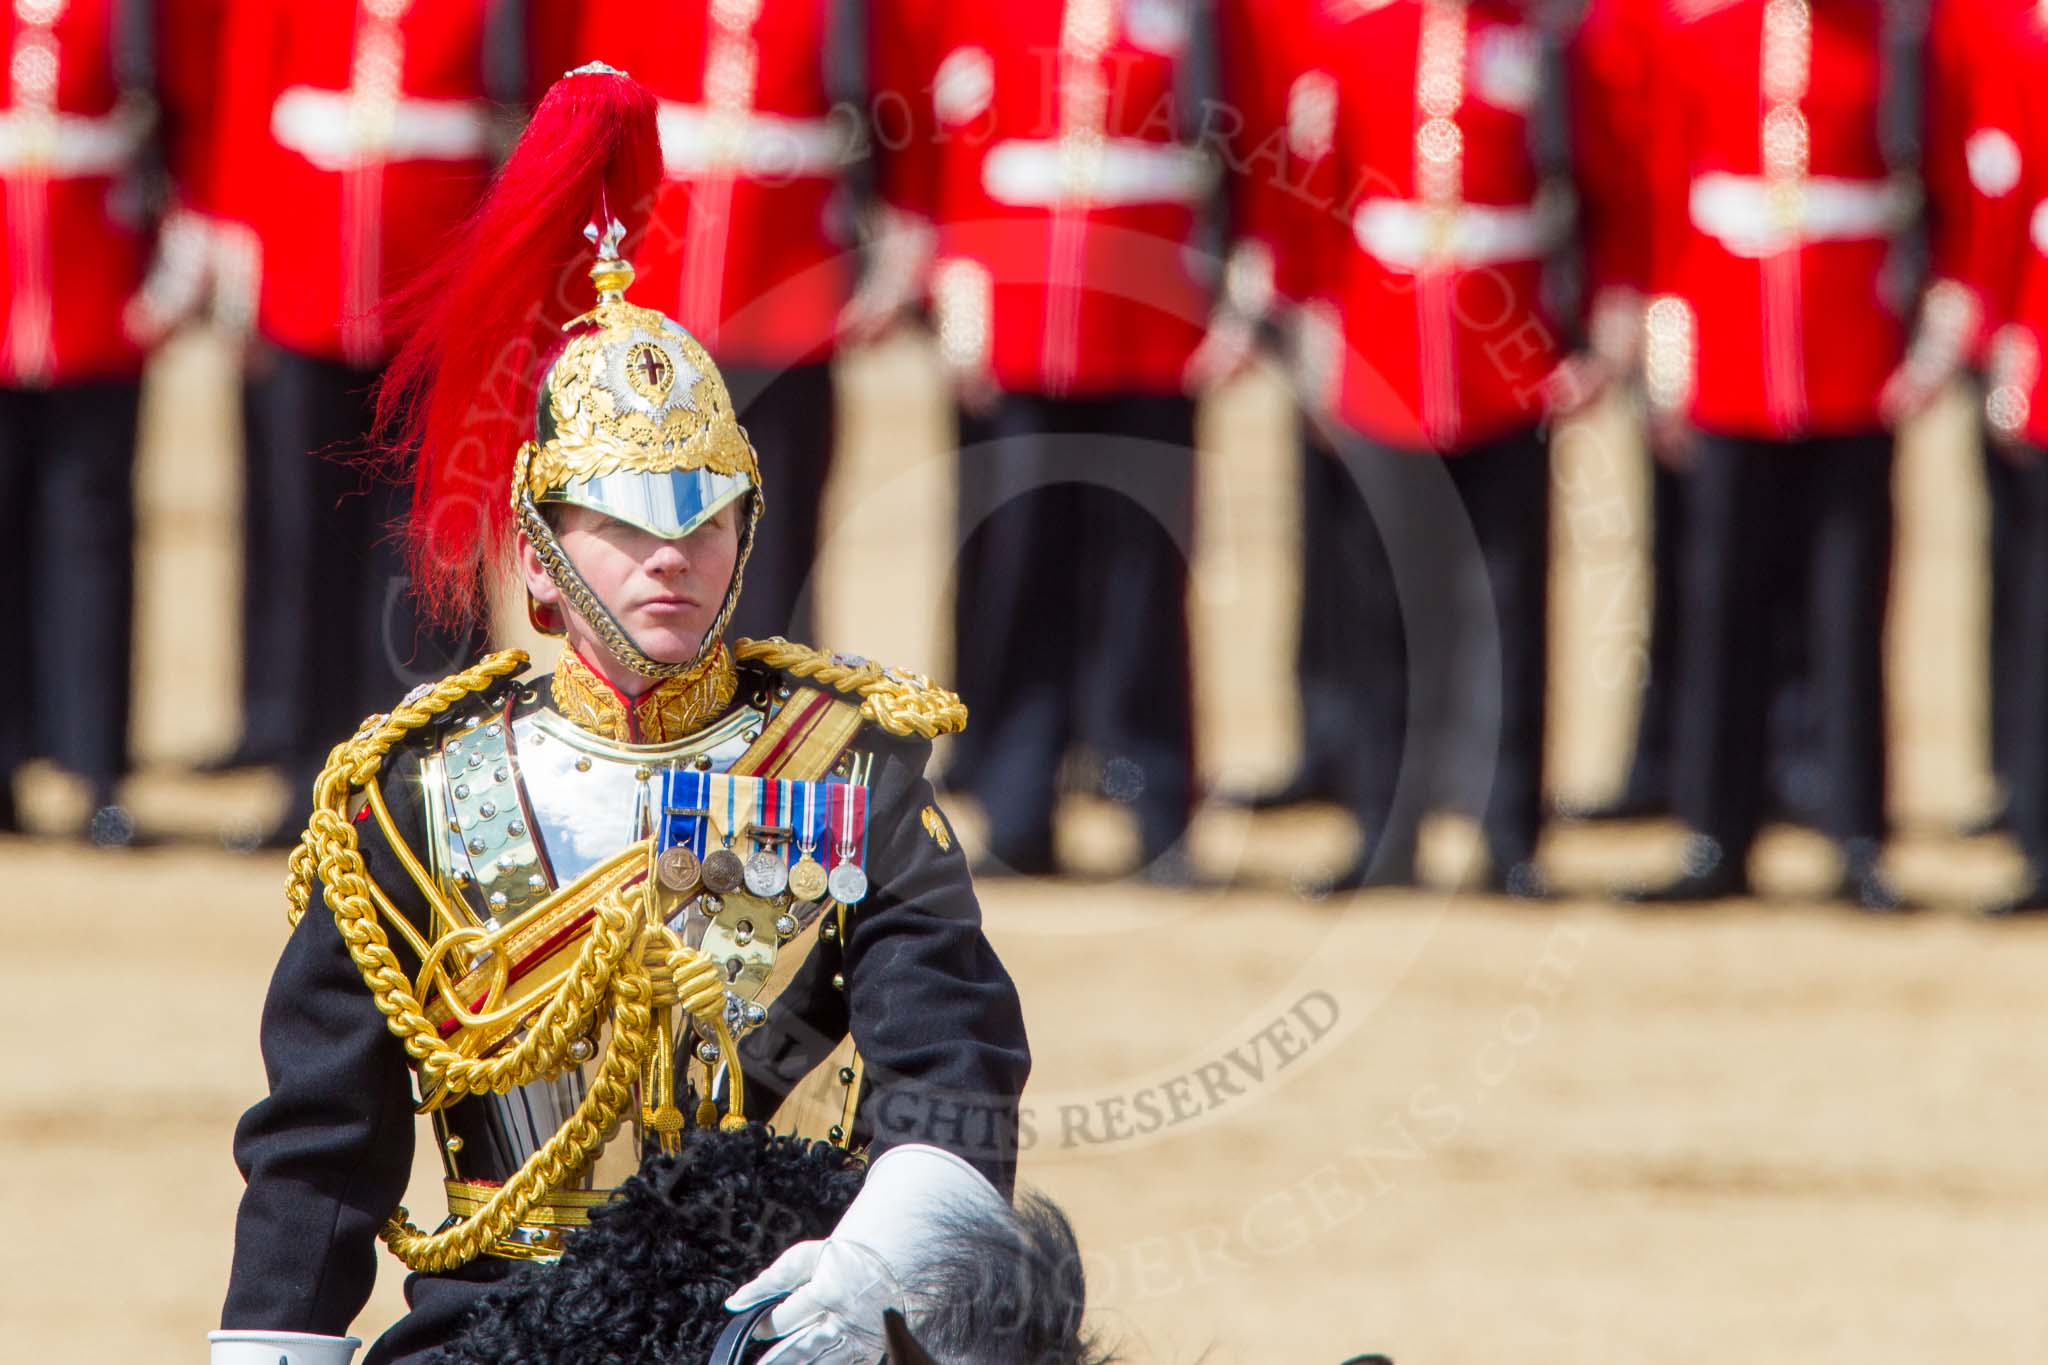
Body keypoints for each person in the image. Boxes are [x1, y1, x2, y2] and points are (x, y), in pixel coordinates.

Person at [215, 67, 1034, 1365]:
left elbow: (954, 1070)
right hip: (498, 1332)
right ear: (536, 556)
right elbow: (320, 1157)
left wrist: (870, 1269)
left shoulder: (843, 768)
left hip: (786, 1317)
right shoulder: (414, 795)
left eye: (703, 515)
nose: (672, 555)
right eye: (622, 522)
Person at [875, 0, 1221, 881]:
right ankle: (1018, 805)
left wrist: (1241, 300)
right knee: (1016, 574)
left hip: (1151, 327)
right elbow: (927, 164)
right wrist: (955, 325)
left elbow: (1242, 138)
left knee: (1145, 578)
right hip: (1011, 329)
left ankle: (1157, 811)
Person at [1626, 0, 1946, 908]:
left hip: (1854, 359)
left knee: (1849, 609)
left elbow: (1936, 190)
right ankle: (1716, 833)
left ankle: (1854, 833)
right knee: (1723, 606)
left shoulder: (1888, 37)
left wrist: (1927, 341)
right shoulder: (1706, 36)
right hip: (1730, 359)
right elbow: (1665, 192)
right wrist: (1667, 350)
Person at [200, 0, 534, 827]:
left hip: (442, 283)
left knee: (439, 539)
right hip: (309, 274)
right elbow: (247, 96)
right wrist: (238, 251)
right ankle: (310, 766)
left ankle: (446, 768)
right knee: (310, 539)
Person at [1294, 0, 1588, 896]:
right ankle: (1385, 824)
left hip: (1509, 355)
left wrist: (1582, 337)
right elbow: (1313, 198)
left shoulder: (1537, 42)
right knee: (1381, 608)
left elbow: (1592, 190)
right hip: (1385, 355)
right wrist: (1316, 337)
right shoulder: (1357, 38)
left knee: (1506, 604)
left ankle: (1508, 833)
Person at [556, 0, 871, 646]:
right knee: (647, 532)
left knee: (776, 534)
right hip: (655, 292)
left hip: (789, 289)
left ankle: (775, 715)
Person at [0, 0, 212, 841]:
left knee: (93, 544)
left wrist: (174, 278)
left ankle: (93, 767)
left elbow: (178, 133)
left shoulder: (126, 16)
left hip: (100, 314)